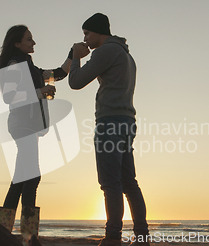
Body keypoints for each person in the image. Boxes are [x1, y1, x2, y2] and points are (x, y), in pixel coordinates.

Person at [69, 13, 150, 246]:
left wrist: (76, 57)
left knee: (110, 182)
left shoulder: (105, 51)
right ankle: (142, 235)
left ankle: (113, 236)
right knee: (129, 183)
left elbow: (75, 81)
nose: (85, 38)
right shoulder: (125, 54)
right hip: (127, 120)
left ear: (98, 32)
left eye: (87, 33)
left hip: (109, 122)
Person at [0, 25, 72, 244]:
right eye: (29, 39)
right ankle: (26, 235)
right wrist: (40, 92)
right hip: (21, 125)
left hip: (29, 127)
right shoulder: (15, 65)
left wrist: (72, 56)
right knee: (30, 176)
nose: (34, 42)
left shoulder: (30, 67)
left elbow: (59, 74)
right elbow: (9, 97)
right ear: (17, 44)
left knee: (25, 177)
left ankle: (12, 232)